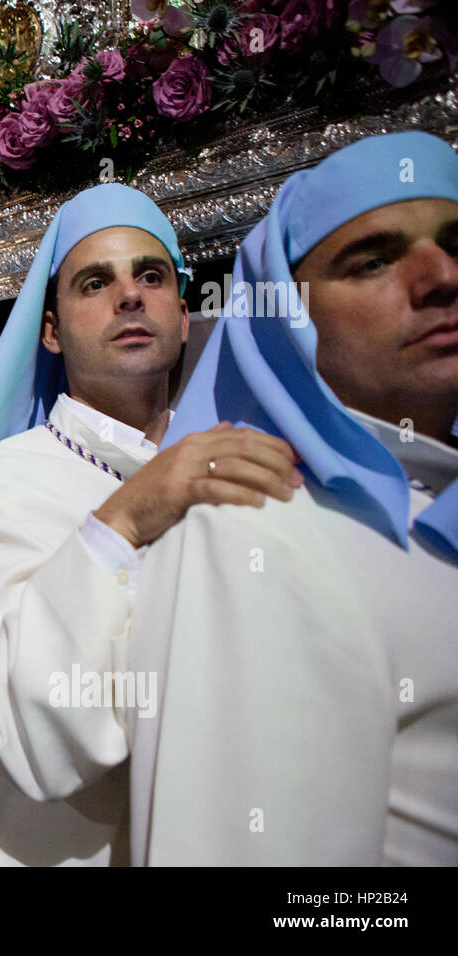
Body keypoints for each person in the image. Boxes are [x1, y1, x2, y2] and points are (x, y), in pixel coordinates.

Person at [0, 183, 301, 865]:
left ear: (184, 316)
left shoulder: (249, 462)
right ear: (51, 330)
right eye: (95, 282)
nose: (130, 296)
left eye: (150, 277)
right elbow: (26, 739)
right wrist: (121, 520)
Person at [123, 131, 458, 865]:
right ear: (288, 313)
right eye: (372, 259)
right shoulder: (255, 527)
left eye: (457, 242)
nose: (440, 276)